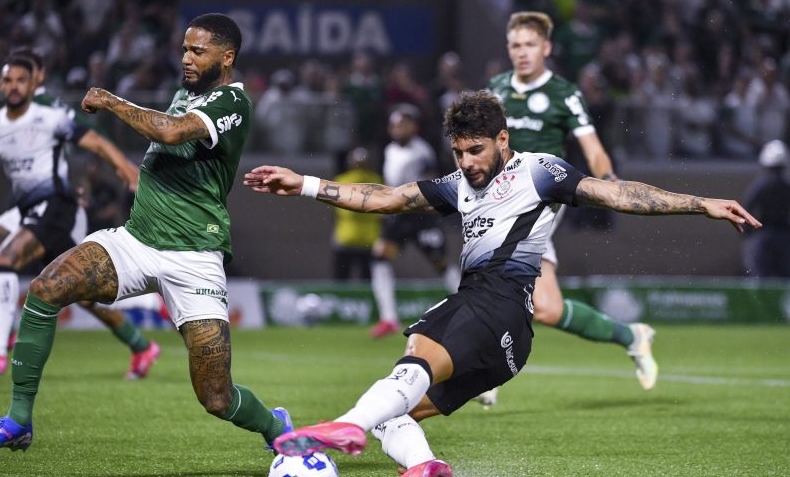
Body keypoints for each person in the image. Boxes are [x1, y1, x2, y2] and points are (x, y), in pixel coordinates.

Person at [243, 90, 760, 476]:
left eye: (475, 150)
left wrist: (701, 203)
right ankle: (423, 467)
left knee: (414, 359)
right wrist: (306, 184)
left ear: (502, 140)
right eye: (458, 152)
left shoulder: (540, 172)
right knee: (395, 413)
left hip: (493, 304)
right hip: (510, 344)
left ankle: (343, 425)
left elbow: (618, 194)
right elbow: (384, 198)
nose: (466, 163)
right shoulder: (456, 186)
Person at [0, 13, 292, 457]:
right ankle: (17, 420)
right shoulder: (183, 95)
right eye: (184, 50)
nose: (186, 59)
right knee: (45, 289)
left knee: (216, 397)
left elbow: (170, 132)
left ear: (227, 57)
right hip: (135, 241)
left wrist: (111, 101)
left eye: (198, 51)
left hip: (194, 256)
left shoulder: (234, 104)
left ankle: (276, 426)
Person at [0, 49, 158, 381]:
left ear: (38, 78)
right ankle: (2, 336)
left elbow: (90, 139)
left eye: (26, 77)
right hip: (26, 209)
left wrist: (117, 172)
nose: (18, 85)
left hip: (57, 206)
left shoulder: (49, 110)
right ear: (2, 83)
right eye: (10, 79)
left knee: (59, 281)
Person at [484, 12, 655, 403]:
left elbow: (593, 150)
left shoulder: (564, 94)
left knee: (494, 271)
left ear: (546, 48)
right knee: (547, 308)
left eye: (530, 45)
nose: (522, 53)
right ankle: (631, 335)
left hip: (542, 197)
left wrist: (611, 185)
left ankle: (483, 369)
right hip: (500, 197)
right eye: (515, 45)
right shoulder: (496, 89)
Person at [370, 104, 460, 338]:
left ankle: (471, 308)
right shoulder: (389, 150)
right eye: (394, 124)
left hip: (421, 217)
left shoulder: (422, 151)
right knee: (379, 258)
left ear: (413, 127)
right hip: (398, 217)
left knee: (440, 263)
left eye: (402, 124)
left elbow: (431, 183)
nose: (397, 129)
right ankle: (388, 318)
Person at [332, 147, 383, 280]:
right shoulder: (377, 181)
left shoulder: (341, 180)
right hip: (369, 239)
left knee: (341, 280)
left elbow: (339, 210)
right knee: (367, 281)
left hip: (346, 238)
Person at [742, 140, 790, 277]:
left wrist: (747, 232)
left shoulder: (760, 186)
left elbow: (748, 208)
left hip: (762, 235)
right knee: (785, 277)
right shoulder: (786, 186)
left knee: (759, 276)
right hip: (784, 235)